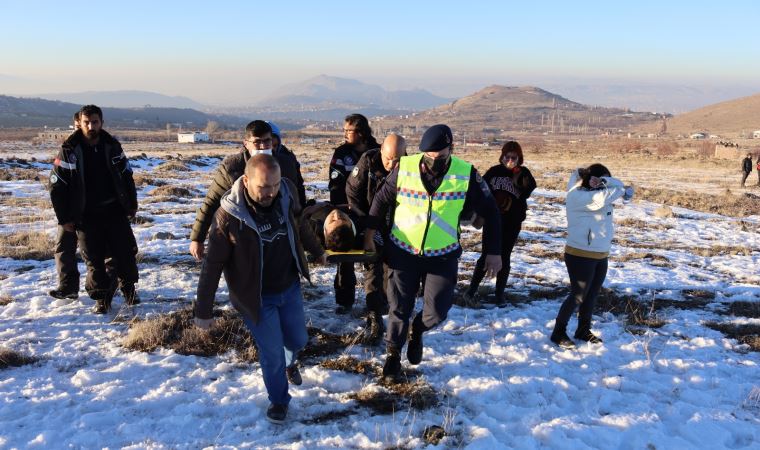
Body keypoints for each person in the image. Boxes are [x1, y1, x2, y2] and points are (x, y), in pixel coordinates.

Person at [363, 124, 502, 382]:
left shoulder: (466, 173)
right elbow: (380, 200)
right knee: (398, 307)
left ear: (452, 149)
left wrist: (493, 252)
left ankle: (418, 330)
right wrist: (370, 236)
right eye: (429, 157)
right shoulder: (404, 168)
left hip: (443, 255)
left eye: (440, 157)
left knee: (437, 311)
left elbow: (492, 211)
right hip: (403, 251)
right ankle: (393, 356)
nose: (434, 162)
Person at [193, 154, 325, 424]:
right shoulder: (228, 217)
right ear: (246, 180)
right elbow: (212, 265)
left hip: (288, 287)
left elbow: (299, 226)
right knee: (271, 352)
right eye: (263, 187)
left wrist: (316, 250)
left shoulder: (286, 194)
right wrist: (203, 309)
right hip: (255, 297)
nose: (270, 192)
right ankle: (279, 401)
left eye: (274, 185)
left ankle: (291, 363)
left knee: (298, 340)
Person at [49, 105, 139, 313]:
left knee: (125, 253)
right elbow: (57, 187)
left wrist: (131, 203)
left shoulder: (112, 145)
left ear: (101, 122)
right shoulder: (69, 150)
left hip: (114, 210)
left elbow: (127, 176)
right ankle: (101, 298)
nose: (91, 126)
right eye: (86, 122)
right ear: (79, 123)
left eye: (95, 122)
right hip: (86, 214)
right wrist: (64, 218)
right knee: (94, 259)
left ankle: (129, 289)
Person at [189, 120, 307, 261]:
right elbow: (211, 202)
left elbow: (297, 200)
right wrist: (197, 238)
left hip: (281, 237)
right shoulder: (232, 168)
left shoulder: (286, 163)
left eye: (267, 141)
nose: (263, 146)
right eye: (257, 142)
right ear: (246, 143)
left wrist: (305, 237)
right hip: (244, 238)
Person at [550, 164, 632, 348]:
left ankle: (583, 329)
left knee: (592, 294)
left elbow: (619, 189)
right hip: (580, 253)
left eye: (603, 182)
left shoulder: (600, 193)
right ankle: (558, 332)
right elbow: (618, 189)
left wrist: (603, 181)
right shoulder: (579, 196)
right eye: (598, 180)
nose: (602, 185)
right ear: (588, 179)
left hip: (600, 253)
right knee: (578, 295)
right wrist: (606, 183)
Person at [345, 133, 407, 340]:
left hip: (398, 226)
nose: (392, 163)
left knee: (394, 270)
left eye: (398, 159)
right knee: (372, 265)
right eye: (388, 158)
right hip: (368, 222)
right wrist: (367, 224)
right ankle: (373, 314)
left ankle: (390, 308)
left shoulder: (410, 167)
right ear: (381, 150)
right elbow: (352, 193)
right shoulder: (367, 162)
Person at [463, 141, 536, 306]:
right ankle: (471, 291)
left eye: (513, 157)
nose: (509, 160)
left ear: (519, 158)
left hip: (512, 221)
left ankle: (499, 294)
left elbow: (528, 189)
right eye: (506, 156)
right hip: (493, 221)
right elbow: (481, 190)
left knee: (505, 256)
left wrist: (517, 171)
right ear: (502, 156)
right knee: (486, 255)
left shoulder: (523, 173)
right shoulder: (494, 172)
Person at [301, 200, 385, 341]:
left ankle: (374, 310)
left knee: (373, 263)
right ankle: (344, 301)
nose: (337, 215)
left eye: (340, 218)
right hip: (343, 207)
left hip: (355, 212)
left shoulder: (361, 229)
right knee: (345, 261)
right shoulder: (312, 227)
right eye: (336, 219)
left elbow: (376, 255)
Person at [325, 114, 380, 313]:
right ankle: (344, 300)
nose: (345, 134)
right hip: (346, 212)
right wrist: (339, 208)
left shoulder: (379, 152)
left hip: (373, 214)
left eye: (349, 130)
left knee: (372, 257)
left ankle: (374, 303)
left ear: (362, 132)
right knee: (344, 257)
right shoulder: (341, 153)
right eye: (345, 130)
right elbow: (335, 183)